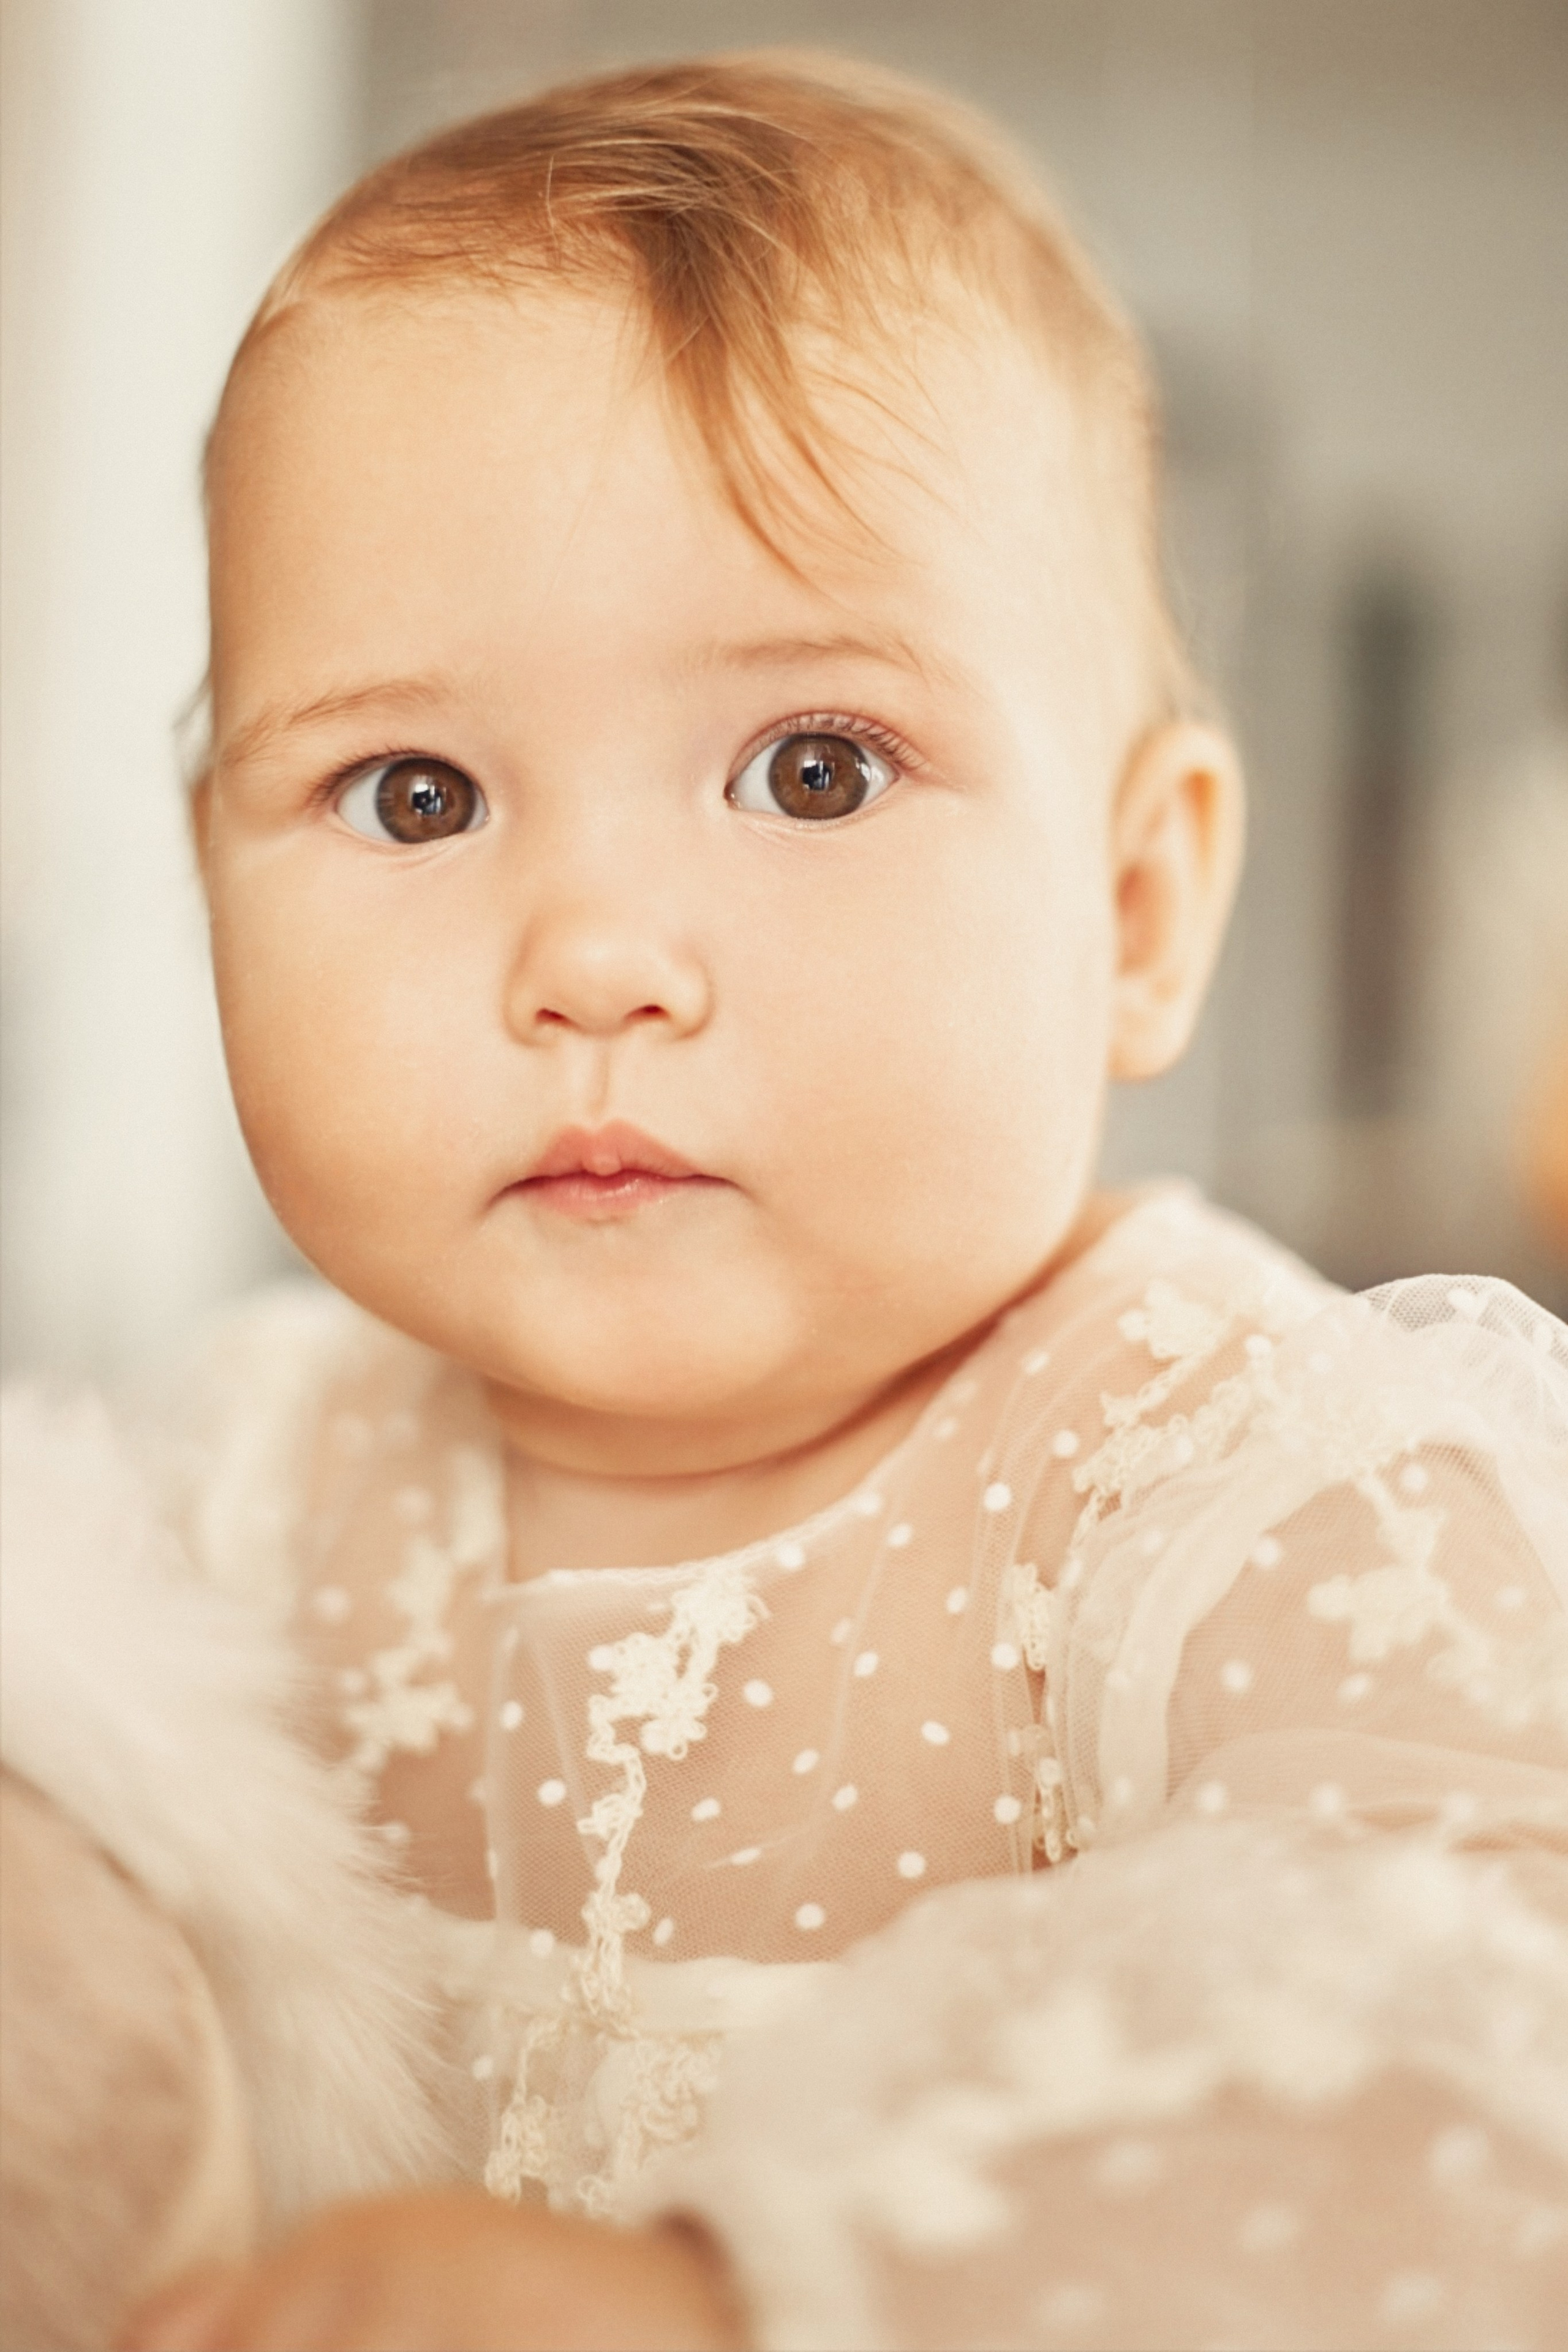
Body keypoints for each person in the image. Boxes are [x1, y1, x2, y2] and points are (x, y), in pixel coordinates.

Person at [1, 50, 1565, 2352]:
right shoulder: (230, 1484)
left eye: (812, 769)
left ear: (1136, 906)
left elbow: (1475, 2038)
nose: (596, 959)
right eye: (415, 793)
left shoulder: (1254, 1491)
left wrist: (735, 2301)